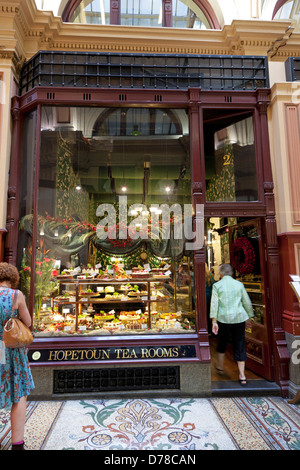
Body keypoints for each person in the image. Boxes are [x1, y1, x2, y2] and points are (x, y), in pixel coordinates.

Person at [0, 262, 34, 450]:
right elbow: (27, 322)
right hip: (12, 348)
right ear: (12, 279)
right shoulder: (16, 295)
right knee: (19, 393)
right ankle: (17, 444)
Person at [210, 263, 254, 386]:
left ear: (221, 274)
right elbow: (246, 302)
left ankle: (220, 367)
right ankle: (242, 375)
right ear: (232, 273)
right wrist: (249, 317)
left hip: (223, 319)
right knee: (239, 344)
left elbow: (214, 304)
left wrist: (214, 321)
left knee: (222, 341)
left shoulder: (217, 286)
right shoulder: (239, 284)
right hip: (239, 318)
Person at [205, 263, 214, 334]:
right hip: (209, 296)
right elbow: (213, 285)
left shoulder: (198, 274)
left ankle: (204, 330)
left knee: (202, 314)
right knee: (208, 314)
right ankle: (209, 331)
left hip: (201, 297)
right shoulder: (210, 275)